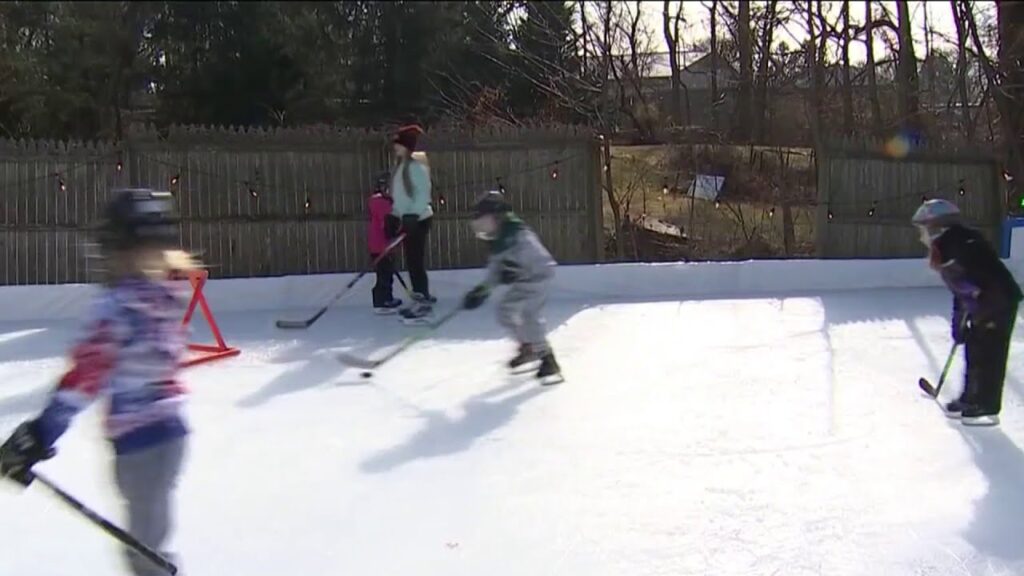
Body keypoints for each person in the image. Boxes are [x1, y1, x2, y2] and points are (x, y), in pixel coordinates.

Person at [0, 188, 195, 574]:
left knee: (145, 554)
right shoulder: (166, 296)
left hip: (139, 445)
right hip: (171, 436)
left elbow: (86, 378)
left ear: (119, 249)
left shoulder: (117, 306)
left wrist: (40, 433)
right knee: (148, 542)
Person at [912, 198, 1022, 426]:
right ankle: (970, 398)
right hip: (989, 301)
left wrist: (976, 311)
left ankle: (984, 404)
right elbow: (962, 291)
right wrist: (959, 322)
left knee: (988, 352)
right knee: (975, 348)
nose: (922, 235)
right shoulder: (954, 243)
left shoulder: (957, 245)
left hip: (997, 302)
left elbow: (976, 283)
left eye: (924, 228)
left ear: (937, 227)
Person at [462, 190, 563, 384]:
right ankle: (528, 347)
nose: (483, 226)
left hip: (539, 276)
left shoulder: (518, 233)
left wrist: (515, 269)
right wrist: (481, 291)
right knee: (504, 311)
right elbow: (496, 269)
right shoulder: (497, 239)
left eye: (485, 220)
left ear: (498, 216)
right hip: (524, 280)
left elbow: (536, 259)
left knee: (529, 315)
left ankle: (547, 358)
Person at [388, 124, 435, 324]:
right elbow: (400, 197)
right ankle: (420, 295)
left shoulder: (416, 168)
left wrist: (412, 216)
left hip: (419, 219)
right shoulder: (400, 168)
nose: (395, 148)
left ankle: (422, 300)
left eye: (398, 145)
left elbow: (422, 195)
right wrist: (394, 215)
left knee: (415, 260)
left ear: (406, 147)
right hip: (408, 218)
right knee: (412, 260)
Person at [368, 173, 403, 314]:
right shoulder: (382, 203)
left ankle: (385, 298)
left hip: (379, 244)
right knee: (384, 273)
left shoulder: (380, 202)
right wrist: (395, 234)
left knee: (385, 272)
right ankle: (382, 301)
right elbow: (388, 224)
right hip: (382, 245)